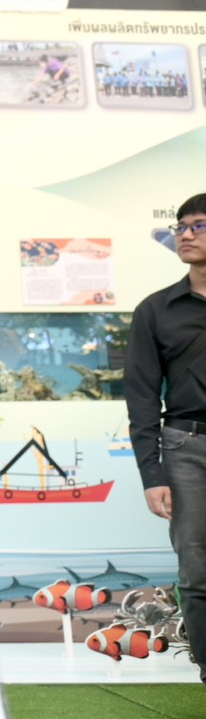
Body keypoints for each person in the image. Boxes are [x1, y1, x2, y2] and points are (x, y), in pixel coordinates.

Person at [125, 194, 206, 682]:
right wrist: (151, 473)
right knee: (197, 573)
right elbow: (140, 399)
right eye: (181, 226)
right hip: (186, 449)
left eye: (199, 225)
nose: (186, 234)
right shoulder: (156, 310)